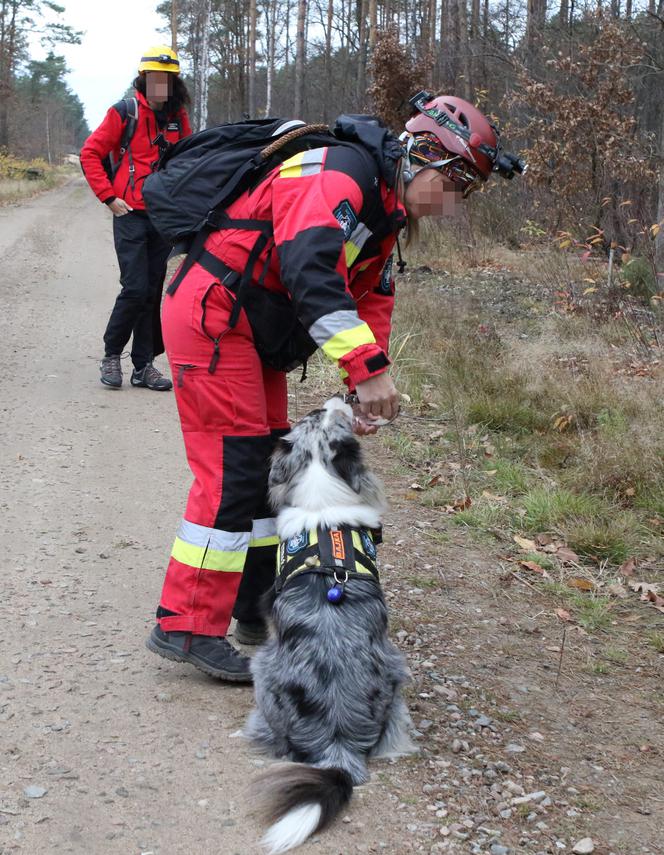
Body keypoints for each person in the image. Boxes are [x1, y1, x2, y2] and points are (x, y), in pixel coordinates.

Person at [145, 93, 522, 682]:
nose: (455, 204)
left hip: (252, 329)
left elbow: (371, 297)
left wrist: (361, 382)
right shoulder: (335, 175)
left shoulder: (387, 211)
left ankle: (252, 606)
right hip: (215, 318)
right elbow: (310, 271)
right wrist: (368, 370)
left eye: (467, 192)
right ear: (424, 154)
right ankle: (186, 624)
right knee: (232, 472)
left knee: (272, 469)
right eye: (456, 186)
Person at [80, 46, 192, 391]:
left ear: (174, 82)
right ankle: (112, 354)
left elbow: (187, 159)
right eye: (155, 78)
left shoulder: (178, 117)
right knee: (135, 287)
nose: (161, 84)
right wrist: (108, 197)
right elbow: (90, 153)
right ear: (143, 80)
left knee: (152, 290)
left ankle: (144, 366)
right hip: (128, 213)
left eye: (167, 78)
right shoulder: (124, 112)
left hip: (161, 217)